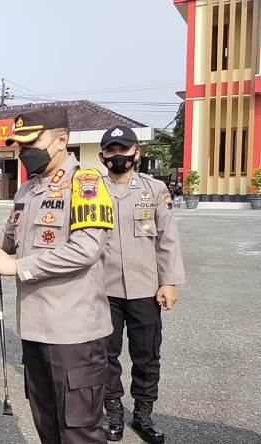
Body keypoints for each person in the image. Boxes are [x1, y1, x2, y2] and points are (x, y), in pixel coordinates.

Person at [0, 107, 115, 443]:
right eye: (20, 145)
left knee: (79, 430)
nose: (25, 152)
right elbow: (11, 241)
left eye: (32, 142)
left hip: (73, 334)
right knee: (47, 424)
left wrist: (17, 267)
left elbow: (85, 249)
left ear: (61, 140)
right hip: (35, 331)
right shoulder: (27, 190)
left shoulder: (85, 183)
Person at [99, 126, 185, 444]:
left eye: (124, 149)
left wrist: (170, 282)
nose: (118, 156)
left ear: (136, 153)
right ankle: (113, 414)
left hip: (145, 288)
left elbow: (167, 239)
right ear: (102, 156)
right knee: (105, 354)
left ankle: (143, 415)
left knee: (147, 354)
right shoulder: (90, 190)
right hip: (102, 289)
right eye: (111, 150)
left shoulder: (154, 189)